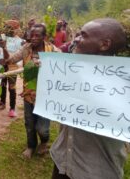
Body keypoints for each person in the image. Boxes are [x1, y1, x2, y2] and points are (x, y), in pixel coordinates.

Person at [51, 18, 128, 179]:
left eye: (83, 36)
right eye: (78, 34)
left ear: (105, 44)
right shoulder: (69, 69)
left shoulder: (123, 85)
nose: (76, 39)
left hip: (95, 171)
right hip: (61, 162)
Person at [0, 23, 59, 158]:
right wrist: (4, 49)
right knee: (30, 124)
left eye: (37, 35)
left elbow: (63, 65)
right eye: (31, 35)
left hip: (45, 96)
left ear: (44, 37)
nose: (33, 38)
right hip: (29, 94)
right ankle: (31, 146)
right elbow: (10, 60)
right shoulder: (26, 49)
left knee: (42, 128)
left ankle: (44, 142)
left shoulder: (53, 51)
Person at [0, 20, 21, 118]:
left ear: (14, 29)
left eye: (9, 27)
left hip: (13, 66)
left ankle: (12, 108)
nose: (7, 29)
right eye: (5, 27)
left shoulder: (19, 41)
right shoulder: (1, 38)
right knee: (2, 85)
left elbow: (18, 54)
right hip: (2, 65)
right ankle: (2, 103)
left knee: (12, 87)